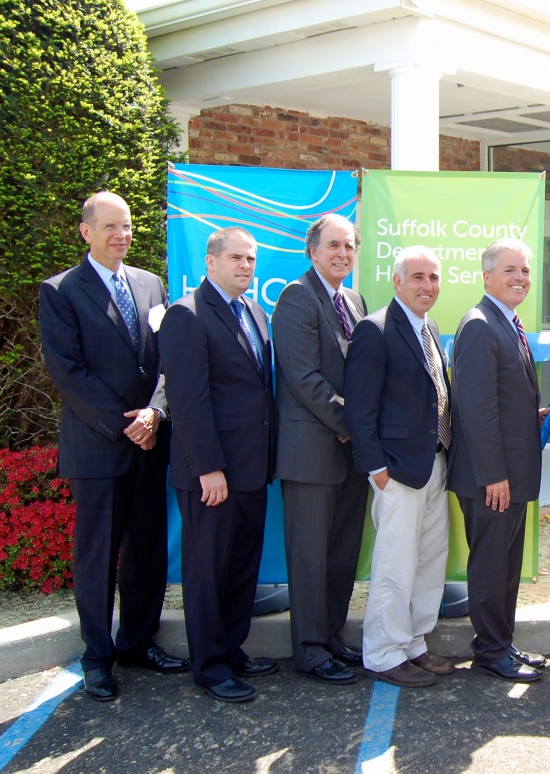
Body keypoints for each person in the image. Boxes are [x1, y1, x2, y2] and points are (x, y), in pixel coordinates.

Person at [38, 191, 189, 702]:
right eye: (109, 227)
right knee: (98, 555)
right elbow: (69, 372)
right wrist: (124, 424)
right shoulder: (60, 291)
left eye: (125, 226)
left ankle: (138, 642)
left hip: (150, 441)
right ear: (87, 232)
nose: (121, 235)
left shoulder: (150, 284)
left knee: (146, 551)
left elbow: (168, 358)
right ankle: (98, 656)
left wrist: (156, 412)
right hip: (100, 448)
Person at [159, 227, 278, 703]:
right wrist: (209, 467)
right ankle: (210, 666)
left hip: (251, 467)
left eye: (251, 258)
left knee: (242, 566)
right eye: (236, 258)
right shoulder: (186, 316)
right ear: (210, 263)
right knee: (208, 571)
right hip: (212, 472)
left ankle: (232, 648)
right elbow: (188, 401)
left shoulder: (253, 311)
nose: (246, 266)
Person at [344, 246, 455, 688]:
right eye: (418, 277)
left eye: (433, 278)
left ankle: (414, 643)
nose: (427, 286)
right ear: (397, 281)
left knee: (430, 560)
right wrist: (376, 469)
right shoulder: (375, 330)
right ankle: (384, 652)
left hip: (435, 463)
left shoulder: (430, 328)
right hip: (397, 471)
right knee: (395, 563)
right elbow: (360, 405)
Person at [273, 214, 369, 685]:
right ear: (313, 251)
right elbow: (303, 377)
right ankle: (309, 650)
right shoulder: (298, 297)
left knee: (340, 552)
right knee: (310, 556)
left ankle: (331, 636)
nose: (342, 254)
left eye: (349, 246)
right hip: (312, 453)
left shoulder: (353, 299)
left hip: (350, 453)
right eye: (333, 245)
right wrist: (353, 424)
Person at [448, 238, 548, 683]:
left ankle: (502, 643)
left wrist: (535, 414)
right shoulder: (479, 325)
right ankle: (489, 651)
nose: (520, 278)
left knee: (506, 566)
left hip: (510, 474)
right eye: (510, 270)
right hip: (492, 479)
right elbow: (475, 409)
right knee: (490, 566)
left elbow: (500, 400)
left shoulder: (506, 322)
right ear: (487, 276)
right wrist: (493, 475)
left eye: (525, 270)